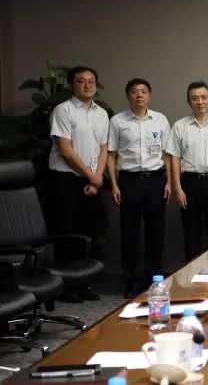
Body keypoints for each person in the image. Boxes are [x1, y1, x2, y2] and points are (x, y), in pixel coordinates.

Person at [47, 65, 108, 301]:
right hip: (66, 180)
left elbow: (103, 150)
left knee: (89, 232)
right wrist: (91, 176)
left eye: (91, 81)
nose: (87, 85)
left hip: (92, 181)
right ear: (72, 85)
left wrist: (96, 179)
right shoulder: (63, 110)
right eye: (81, 81)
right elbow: (66, 150)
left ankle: (85, 285)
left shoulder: (101, 113)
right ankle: (67, 288)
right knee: (68, 232)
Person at [107, 78, 171, 298]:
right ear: (128, 96)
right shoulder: (117, 121)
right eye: (134, 92)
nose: (139, 95)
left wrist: (169, 182)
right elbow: (111, 155)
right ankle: (131, 280)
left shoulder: (160, 120)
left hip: (155, 180)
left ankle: (153, 278)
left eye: (144, 91)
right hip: (129, 181)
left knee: (156, 231)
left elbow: (167, 154)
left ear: (149, 95)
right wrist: (114, 184)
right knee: (130, 232)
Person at [166, 81, 208, 262]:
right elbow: (174, 158)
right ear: (189, 102)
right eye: (195, 98)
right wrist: (178, 188)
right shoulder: (180, 126)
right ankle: (192, 275)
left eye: (203, 97)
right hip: (189, 183)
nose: (200, 102)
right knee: (191, 233)